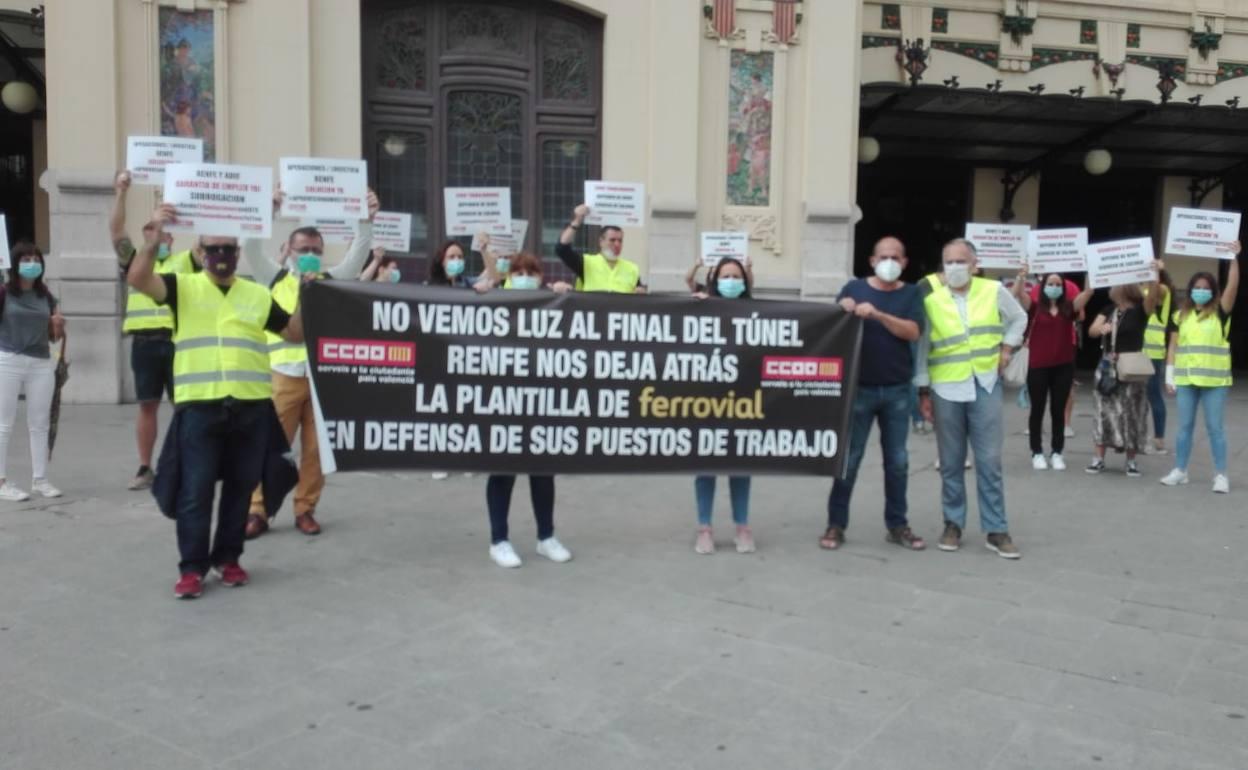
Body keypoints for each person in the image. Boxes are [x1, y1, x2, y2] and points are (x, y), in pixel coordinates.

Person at [128, 204, 304, 599]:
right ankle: (191, 568)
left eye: (228, 249)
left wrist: (305, 290)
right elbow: (139, 278)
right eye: (213, 248)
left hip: (252, 408)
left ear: (238, 254)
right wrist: (150, 243)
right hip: (199, 407)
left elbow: (294, 333)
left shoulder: (257, 295)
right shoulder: (182, 286)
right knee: (196, 491)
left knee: (241, 491)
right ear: (201, 251)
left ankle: (228, 559)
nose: (221, 256)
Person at [242, 190, 379, 538]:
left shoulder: (331, 281)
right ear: (288, 251)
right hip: (283, 378)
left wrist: (365, 217)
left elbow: (360, 250)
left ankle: (306, 508)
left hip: (322, 381)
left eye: (316, 251)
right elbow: (252, 249)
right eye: (303, 249)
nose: (310, 255)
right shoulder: (273, 278)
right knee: (270, 448)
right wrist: (267, 211)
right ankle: (257, 510)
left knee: (316, 453)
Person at [915, 238, 1028, 559]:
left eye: (960, 261)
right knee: (950, 462)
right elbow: (924, 346)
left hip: (984, 383)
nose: (954, 268)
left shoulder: (993, 290)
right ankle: (953, 523)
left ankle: (996, 528)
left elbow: (1019, 318)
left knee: (989, 460)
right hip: (945, 387)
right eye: (947, 262)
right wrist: (922, 390)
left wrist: (1007, 347)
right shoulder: (932, 300)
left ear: (974, 265)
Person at [821, 237, 925, 552]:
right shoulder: (854, 288)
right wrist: (843, 309)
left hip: (897, 389)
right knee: (849, 460)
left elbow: (913, 331)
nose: (889, 261)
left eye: (895, 256)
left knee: (898, 462)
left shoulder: (911, 293)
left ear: (904, 262)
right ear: (872, 260)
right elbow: (832, 324)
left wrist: (878, 315)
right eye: (884, 256)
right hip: (859, 388)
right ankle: (836, 524)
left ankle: (897, 524)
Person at [110, 170, 199, 491]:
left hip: (177, 342)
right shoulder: (134, 262)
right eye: (151, 230)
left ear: (173, 238)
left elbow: (207, 244)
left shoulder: (186, 262)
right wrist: (121, 192)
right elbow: (117, 231)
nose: (158, 236)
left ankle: (187, 463)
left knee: (184, 406)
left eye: (163, 232)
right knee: (147, 404)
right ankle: (145, 467)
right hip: (144, 342)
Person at [483, 252, 571, 568]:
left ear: (540, 276)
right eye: (517, 271)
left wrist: (565, 297)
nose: (523, 276)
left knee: (543, 472)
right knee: (502, 473)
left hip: (541, 402)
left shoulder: (551, 303)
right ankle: (499, 540)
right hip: (503, 402)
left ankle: (546, 537)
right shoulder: (493, 301)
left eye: (530, 272)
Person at [1161, 245, 1240, 492]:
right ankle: (1180, 470)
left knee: (1215, 428)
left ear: (1213, 292)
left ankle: (1220, 475)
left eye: (1206, 288)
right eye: (1197, 287)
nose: (1201, 291)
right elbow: (1173, 346)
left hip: (1214, 382)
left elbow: (1233, 287)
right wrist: (1169, 375)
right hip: (1186, 379)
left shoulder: (1220, 312)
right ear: (1191, 290)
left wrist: (1234, 259)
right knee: (1184, 427)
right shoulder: (1180, 315)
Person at [691, 257, 757, 554]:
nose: (731, 281)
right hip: (708, 399)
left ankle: (742, 526)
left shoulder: (758, 311)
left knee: (741, 466)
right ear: (715, 280)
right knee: (706, 466)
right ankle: (704, 528)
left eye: (736, 276)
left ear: (744, 281)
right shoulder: (702, 305)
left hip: (743, 400)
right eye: (725, 276)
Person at [0, 243, 66, 502]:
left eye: (35, 258)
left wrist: (56, 325)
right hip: (9, 360)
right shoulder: (5, 293)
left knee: (39, 424)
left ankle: (40, 479)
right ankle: (2, 480)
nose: (32, 263)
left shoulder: (46, 296)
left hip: (41, 362)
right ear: (15, 264)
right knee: (4, 424)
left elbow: (54, 336)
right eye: (26, 259)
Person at [1011, 267, 1093, 471]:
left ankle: (1057, 452)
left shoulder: (1069, 308)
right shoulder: (1035, 307)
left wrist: (1093, 271)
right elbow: (1017, 293)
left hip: (1063, 366)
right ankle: (1036, 452)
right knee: (1037, 410)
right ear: (1043, 286)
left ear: (1064, 288)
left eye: (1058, 285)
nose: (1054, 288)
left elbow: (1088, 293)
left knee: (1058, 411)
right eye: (1050, 284)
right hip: (1038, 366)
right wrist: (1021, 275)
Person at [1085, 266, 1164, 477]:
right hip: (1108, 366)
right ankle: (1098, 458)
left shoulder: (1140, 310)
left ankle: (1131, 461)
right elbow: (1091, 331)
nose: (1112, 287)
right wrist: (1101, 329)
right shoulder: (1108, 309)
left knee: (1133, 412)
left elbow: (1153, 296)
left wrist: (1154, 275)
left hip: (1131, 368)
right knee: (1103, 411)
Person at [556, 204, 641, 293]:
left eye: (620, 240)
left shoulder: (632, 269)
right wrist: (577, 221)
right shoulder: (586, 263)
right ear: (601, 242)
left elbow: (639, 295)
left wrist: (641, 293)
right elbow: (562, 249)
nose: (617, 244)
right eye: (612, 240)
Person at [1143, 270, 1175, 454]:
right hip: (1139, 351)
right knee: (1139, 397)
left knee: (1153, 395)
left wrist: (1155, 273)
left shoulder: (1162, 289)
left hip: (1152, 352)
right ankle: (1141, 435)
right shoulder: (1143, 289)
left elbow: (1154, 296)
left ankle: (1159, 438)